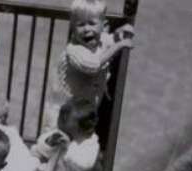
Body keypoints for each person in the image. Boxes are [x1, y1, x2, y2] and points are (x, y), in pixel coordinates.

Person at [42, 0, 135, 131]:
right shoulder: (74, 50)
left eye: (92, 23)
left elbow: (107, 41)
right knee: (60, 141)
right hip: (63, 112)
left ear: (103, 25)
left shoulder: (100, 39)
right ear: (73, 29)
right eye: (80, 25)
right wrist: (119, 45)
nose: (86, 29)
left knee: (79, 138)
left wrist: (119, 33)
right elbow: (92, 65)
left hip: (82, 110)